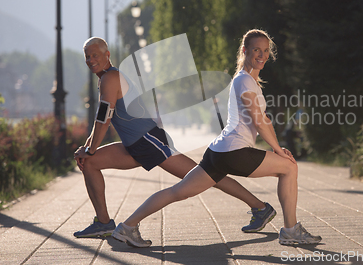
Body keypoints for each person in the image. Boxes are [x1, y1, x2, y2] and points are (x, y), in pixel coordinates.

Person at [112, 29, 321, 247]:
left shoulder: (247, 80)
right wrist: (278, 150)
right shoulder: (245, 81)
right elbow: (259, 121)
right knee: (289, 167)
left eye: (266, 50)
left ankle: (127, 226)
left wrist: (276, 146)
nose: (262, 55)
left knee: (179, 191)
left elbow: (263, 120)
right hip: (234, 151)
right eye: (256, 50)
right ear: (245, 50)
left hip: (218, 152)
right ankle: (290, 230)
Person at [73, 37, 276, 238]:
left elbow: (103, 120)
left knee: (207, 176)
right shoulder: (106, 78)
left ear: (107, 55)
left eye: (95, 55)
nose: (91, 60)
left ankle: (259, 207)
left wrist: (89, 149)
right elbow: (101, 119)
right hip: (133, 145)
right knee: (90, 163)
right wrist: (87, 149)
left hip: (149, 141)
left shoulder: (110, 77)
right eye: (87, 57)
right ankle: (103, 222)